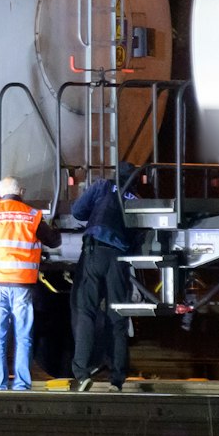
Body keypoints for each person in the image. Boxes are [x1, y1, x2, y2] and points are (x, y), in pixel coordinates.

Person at [0, 177, 61, 391]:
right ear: (21, 192)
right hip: (21, 284)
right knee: (23, 336)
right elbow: (53, 241)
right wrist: (54, 227)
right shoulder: (31, 215)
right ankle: (22, 384)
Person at [70, 163, 139, 392]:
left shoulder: (102, 185)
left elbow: (77, 211)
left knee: (85, 311)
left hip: (94, 251)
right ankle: (117, 380)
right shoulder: (136, 198)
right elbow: (139, 233)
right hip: (119, 257)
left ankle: (82, 374)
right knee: (117, 317)